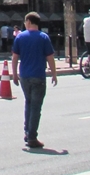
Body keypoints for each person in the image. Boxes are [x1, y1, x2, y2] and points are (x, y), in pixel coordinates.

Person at [11, 12, 58, 150]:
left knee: (29, 103)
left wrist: (14, 74)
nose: (24, 24)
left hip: (24, 76)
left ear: (29, 22)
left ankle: (27, 131)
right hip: (38, 76)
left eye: (25, 22)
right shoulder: (44, 37)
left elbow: (14, 57)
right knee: (36, 107)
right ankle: (32, 137)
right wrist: (54, 74)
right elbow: (50, 57)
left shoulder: (20, 37)